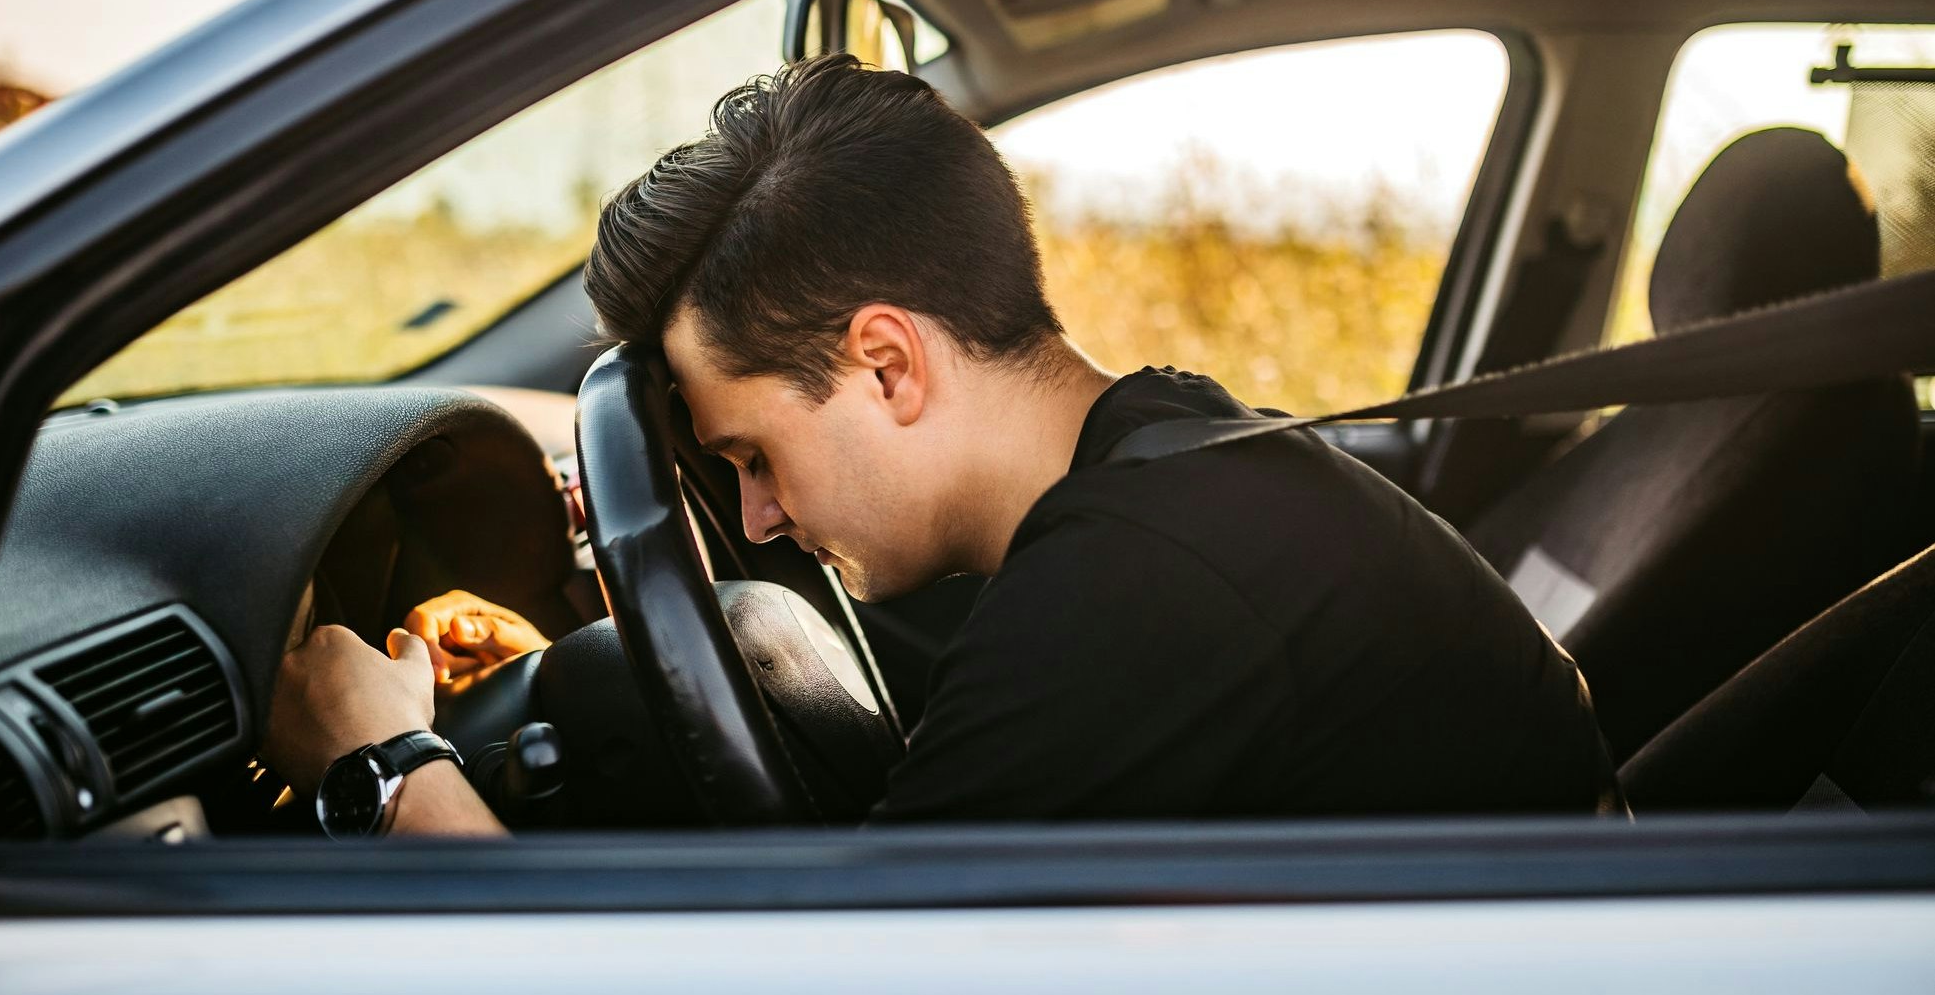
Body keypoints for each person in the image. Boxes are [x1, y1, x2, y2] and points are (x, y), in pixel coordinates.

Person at [263, 53, 1619, 831]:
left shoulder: (1130, 592)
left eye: (748, 455)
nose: (754, 522)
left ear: (886, 362)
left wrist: (390, 770)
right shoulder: (1171, 474)